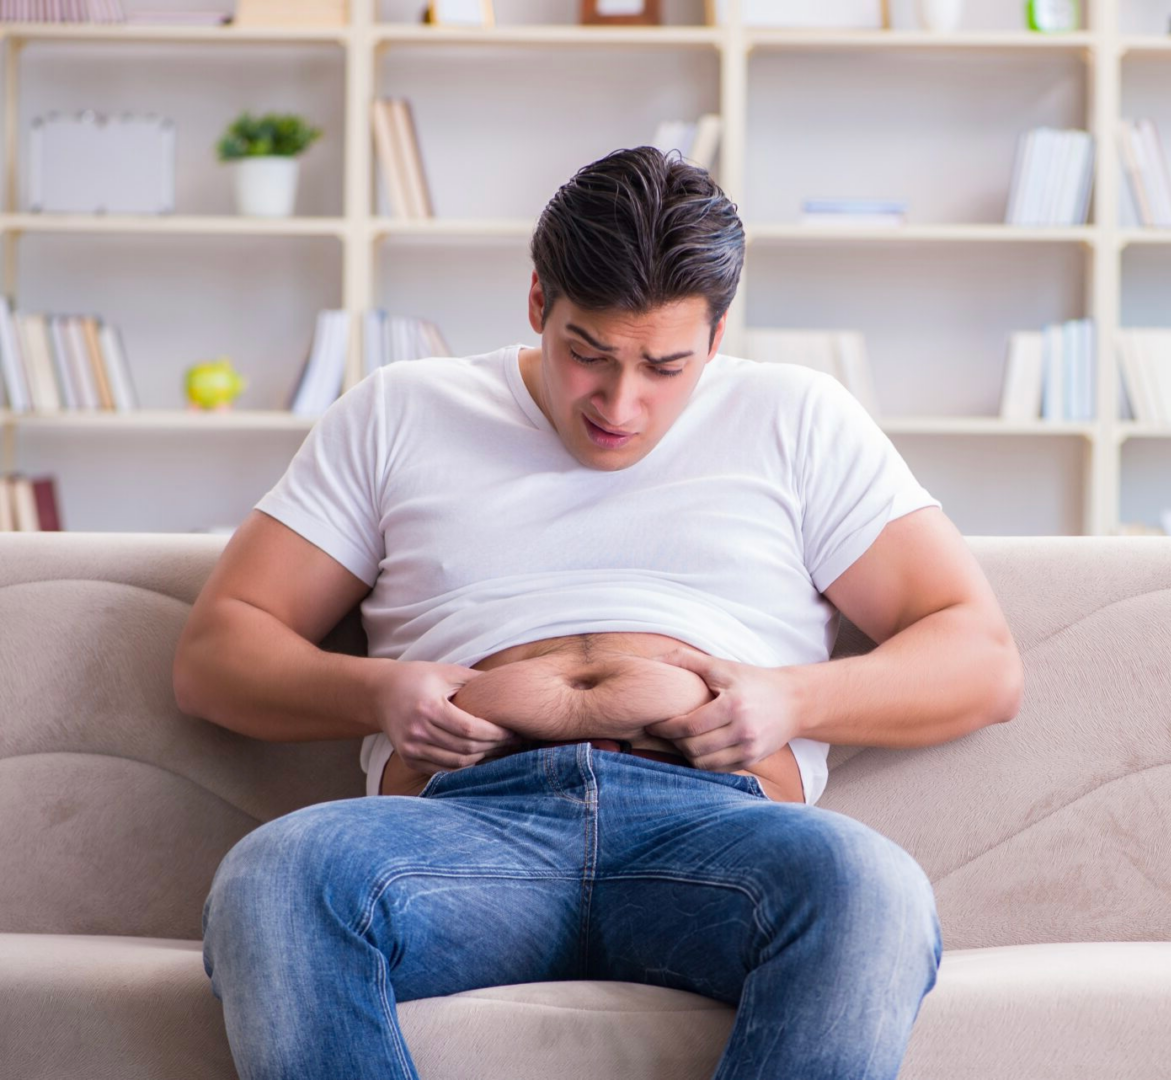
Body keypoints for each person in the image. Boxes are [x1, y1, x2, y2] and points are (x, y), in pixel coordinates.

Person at [173, 146, 1023, 1080]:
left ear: (718, 333)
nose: (622, 404)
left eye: (667, 366)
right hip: (459, 831)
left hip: (718, 833)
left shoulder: (800, 418)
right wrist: (380, 693)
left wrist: (789, 702)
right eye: (588, 355)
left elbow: (980, 658)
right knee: (277, 878)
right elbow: (217, 652)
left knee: (872, 890)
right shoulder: (400, 411)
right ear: (539, 303)